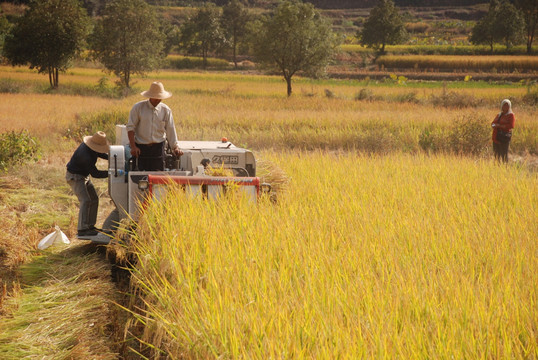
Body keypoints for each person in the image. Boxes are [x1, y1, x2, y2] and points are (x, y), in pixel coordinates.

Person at [126, 82, 182, 171]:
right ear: (150, 96)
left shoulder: (166, 110)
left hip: (158, 149)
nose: (158, 100)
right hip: (140, 149)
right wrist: (133, 147)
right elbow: (130, 128)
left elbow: (170, 129)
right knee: (139, 178)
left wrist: (175, 147)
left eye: (160, 98)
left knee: (158, 177)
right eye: (156, 98)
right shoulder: (138, 108)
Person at [66, 131, 110, 237]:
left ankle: (90, 226)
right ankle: (82, 229)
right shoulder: (85, 156)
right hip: (75, 177)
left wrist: (112, 157)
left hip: (84, 175)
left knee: (94, 198)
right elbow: (96, 173)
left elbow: (100, 153)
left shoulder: (90, 146)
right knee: (85, 200)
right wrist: (111, 173)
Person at [491, 99, 515, 163]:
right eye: (504, 105)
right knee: (496, 155)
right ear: (501, 106)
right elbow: (493, 123)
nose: (505, 107)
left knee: (504, 155)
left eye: (507, 105)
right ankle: (497, 169)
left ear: (510, 106)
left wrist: (499, 126)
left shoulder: (511, 115)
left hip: (504, 137)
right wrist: (494, 125)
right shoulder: (499, 115)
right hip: (496, 137)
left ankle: (505, 169)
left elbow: (511, 125)